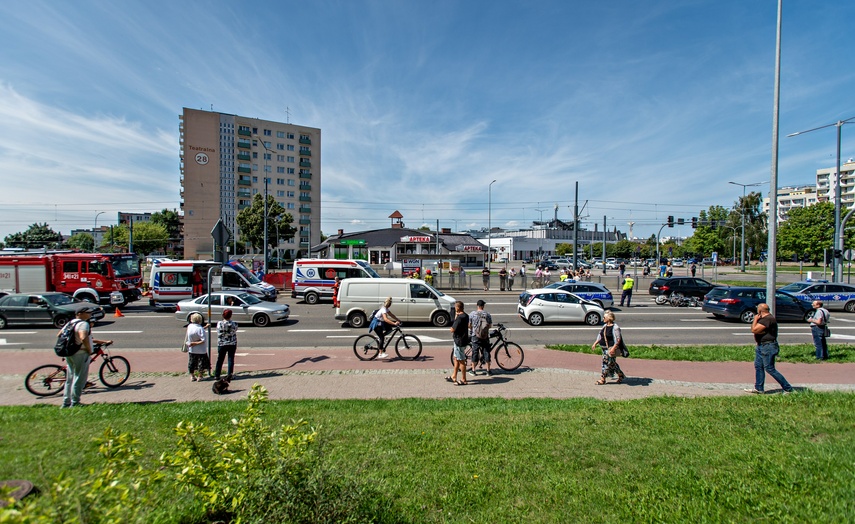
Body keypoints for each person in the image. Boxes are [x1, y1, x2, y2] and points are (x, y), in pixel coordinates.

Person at [61, 306, 112, 408]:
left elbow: (60, 334)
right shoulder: (83, 324)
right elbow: (83, 337)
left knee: (70, 378)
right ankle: (75, 402)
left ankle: (66, 402)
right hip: (80, 353)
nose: (90, 314)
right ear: (80, 314)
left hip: (70, 353)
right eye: (88, 312)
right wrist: (89, 349)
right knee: (79, 378)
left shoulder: (70, 323)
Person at [744, 303, 794, 394]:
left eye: (757, 309)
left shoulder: (768, 319)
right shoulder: (764, 319)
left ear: (760, 310)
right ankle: (759, 388)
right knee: (759, 366)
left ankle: (788, 388)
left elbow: (754, 330)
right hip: (761, 345)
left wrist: (755, 319)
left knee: (769, 368)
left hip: (768, 346)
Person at [592, 311, 626, 385]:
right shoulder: (605, 326)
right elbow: (600, 335)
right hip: (604, 348)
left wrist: (613, 348)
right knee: (612, 364)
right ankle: (621, 375)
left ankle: (602, 379)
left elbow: (618, 339)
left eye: (604, 317)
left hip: (610, 349)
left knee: (606, 363)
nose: (603, 318)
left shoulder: (615, 328)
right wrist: (595, 343)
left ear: (609, 318)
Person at [468, 299, 493, 376]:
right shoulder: (487, 314)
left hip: (475, 335)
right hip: (484, 336)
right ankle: (488, 370)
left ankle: (473, 370)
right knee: (486, 351)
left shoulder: (472, 314)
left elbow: (469, 325)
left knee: (475, 352)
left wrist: (473, 329)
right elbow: (490, 325)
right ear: (483, 306)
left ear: (477, 306)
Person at [447, 301, 469, 385]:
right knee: (456, 359)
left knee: (461, 360)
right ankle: (454, 376)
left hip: (459, 341)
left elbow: (452, 329)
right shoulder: (466, 316)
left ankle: (464, 379)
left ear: (458, 308)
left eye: (455, 307)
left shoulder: (459, 318)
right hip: (463, 339)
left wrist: (456, 318)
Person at [215, 309, 238, 382]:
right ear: (230, 316)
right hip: (232, 343)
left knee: (220, 359)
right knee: (231, 359)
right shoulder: (234, 324)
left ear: (223, 315)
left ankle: (217, 375)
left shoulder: (219, 323)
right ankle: (229, 375)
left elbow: (218, 331)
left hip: (222, 343)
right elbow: (235, 330)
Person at [186, 312, 209, 381]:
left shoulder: (190, 326)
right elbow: (203, 340)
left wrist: (192, 343)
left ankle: (192, 376)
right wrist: (195, 343)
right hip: (201, 349)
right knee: (201, 363)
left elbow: (195, 331)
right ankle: (200, 376)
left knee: (192, 363)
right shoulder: (200, 328)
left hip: (192, 349)